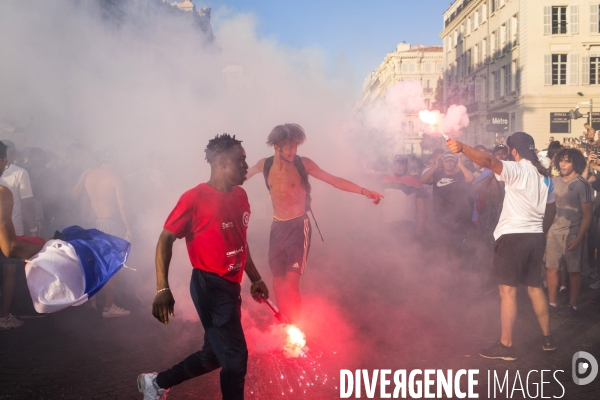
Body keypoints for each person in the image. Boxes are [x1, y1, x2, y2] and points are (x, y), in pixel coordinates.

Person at [138, 134, 269, 400]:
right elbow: (165, 239)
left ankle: (156, 382)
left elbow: (240, 241)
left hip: (231, 287)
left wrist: (254, 278)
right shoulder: (194, 198)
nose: (246, 165)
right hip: (209, 285)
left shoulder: (241, 196)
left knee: (214, 355)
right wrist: (162, 287)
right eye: (240, 160)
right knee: (235, 357)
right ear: (221, 162)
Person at [246, 123, 383, 323]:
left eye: (296, 146)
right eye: (290, 147)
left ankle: (296, 327)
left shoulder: (304, 163)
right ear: (276, 146)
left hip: (298, 226)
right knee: (277, 284)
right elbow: (240, 177)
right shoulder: (264, 165)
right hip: (277, 226)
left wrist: (364, 191)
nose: (294, 151)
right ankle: (285, 324)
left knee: (291, 284)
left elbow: (334, 180)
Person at [447, 131, 557, 360]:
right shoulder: (545, 176)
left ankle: (506, 346)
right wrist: (542, 230)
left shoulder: (517, 169)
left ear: (513, 151)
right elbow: (552, 209)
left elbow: (488, 161)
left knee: (507, 291)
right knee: (535, 287)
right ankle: (548, 338)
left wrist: (462, 147)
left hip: (513, 237)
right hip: (535, 237)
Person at [0, 142, 45, 329]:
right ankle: (3, 317)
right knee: (9, 273)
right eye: (5, 163)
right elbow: (10, 248)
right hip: (11, 233)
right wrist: (42, 245)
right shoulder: (3, 193)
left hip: (11, 230)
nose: (5, 167)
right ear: (2, 160)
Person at [84, 147, 132, 318]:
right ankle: (109, 307)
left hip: (95, 223)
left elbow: (88, 203)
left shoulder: (89, 176)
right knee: (111, 266)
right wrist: (129, 227)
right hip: (111, 224)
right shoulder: (115, 177)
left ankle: (93, 302)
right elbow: (122, 206)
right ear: (114, 161)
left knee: (97, 264)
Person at [545, 148, 592, 318]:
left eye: (568, 161)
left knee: (573, 272)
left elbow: (588, 215)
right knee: (551, 269)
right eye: (561, 161)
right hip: (554, 233)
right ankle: (552, 303)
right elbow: (549, 210)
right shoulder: (554, 181)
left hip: (573, 233)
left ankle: (572, 305)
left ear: (576, 163)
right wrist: (546, 230)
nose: (563, 164)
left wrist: (579, 238)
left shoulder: (582, 184)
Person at [420, 151, 474, 251]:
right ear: (443, 162)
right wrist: (436, 166)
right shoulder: (437, 175)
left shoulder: (460, 175)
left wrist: (460, 165)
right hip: (440, 217)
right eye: (446, 161)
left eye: (451, 161)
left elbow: (471, 178)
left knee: (457, 247)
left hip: (459, 218)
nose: (449, 164)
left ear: (454, 162)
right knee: (442, 246)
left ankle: (457, 265)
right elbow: (423, 180)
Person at [380, 155, 426, 241]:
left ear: (407, 165)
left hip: (406, 223)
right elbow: (379, 200)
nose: (398, 167)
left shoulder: (416, 182)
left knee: (405, 249)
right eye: (395, 164)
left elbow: (421, 205)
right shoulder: (385, 179)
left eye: (401, 164)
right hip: (387, 222)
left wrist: (421, 223)